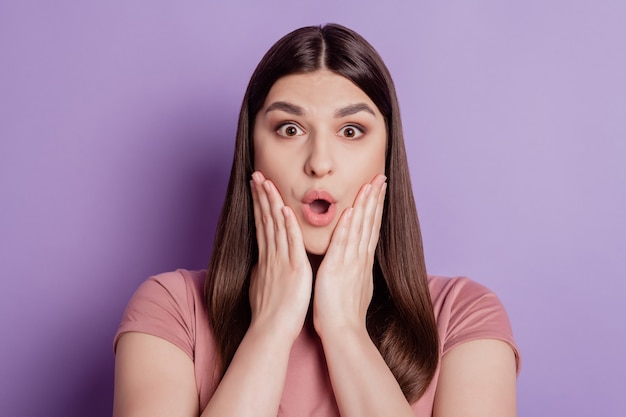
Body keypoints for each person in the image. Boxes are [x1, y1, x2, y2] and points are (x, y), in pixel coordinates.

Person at [112, 23, 520, 417]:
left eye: (351, 130)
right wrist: (270, 329)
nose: (319, 163)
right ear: (251, 151)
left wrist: (345, 330)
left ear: (387, 154)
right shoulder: (172, 310)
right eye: (289, 129)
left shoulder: (463, 316)